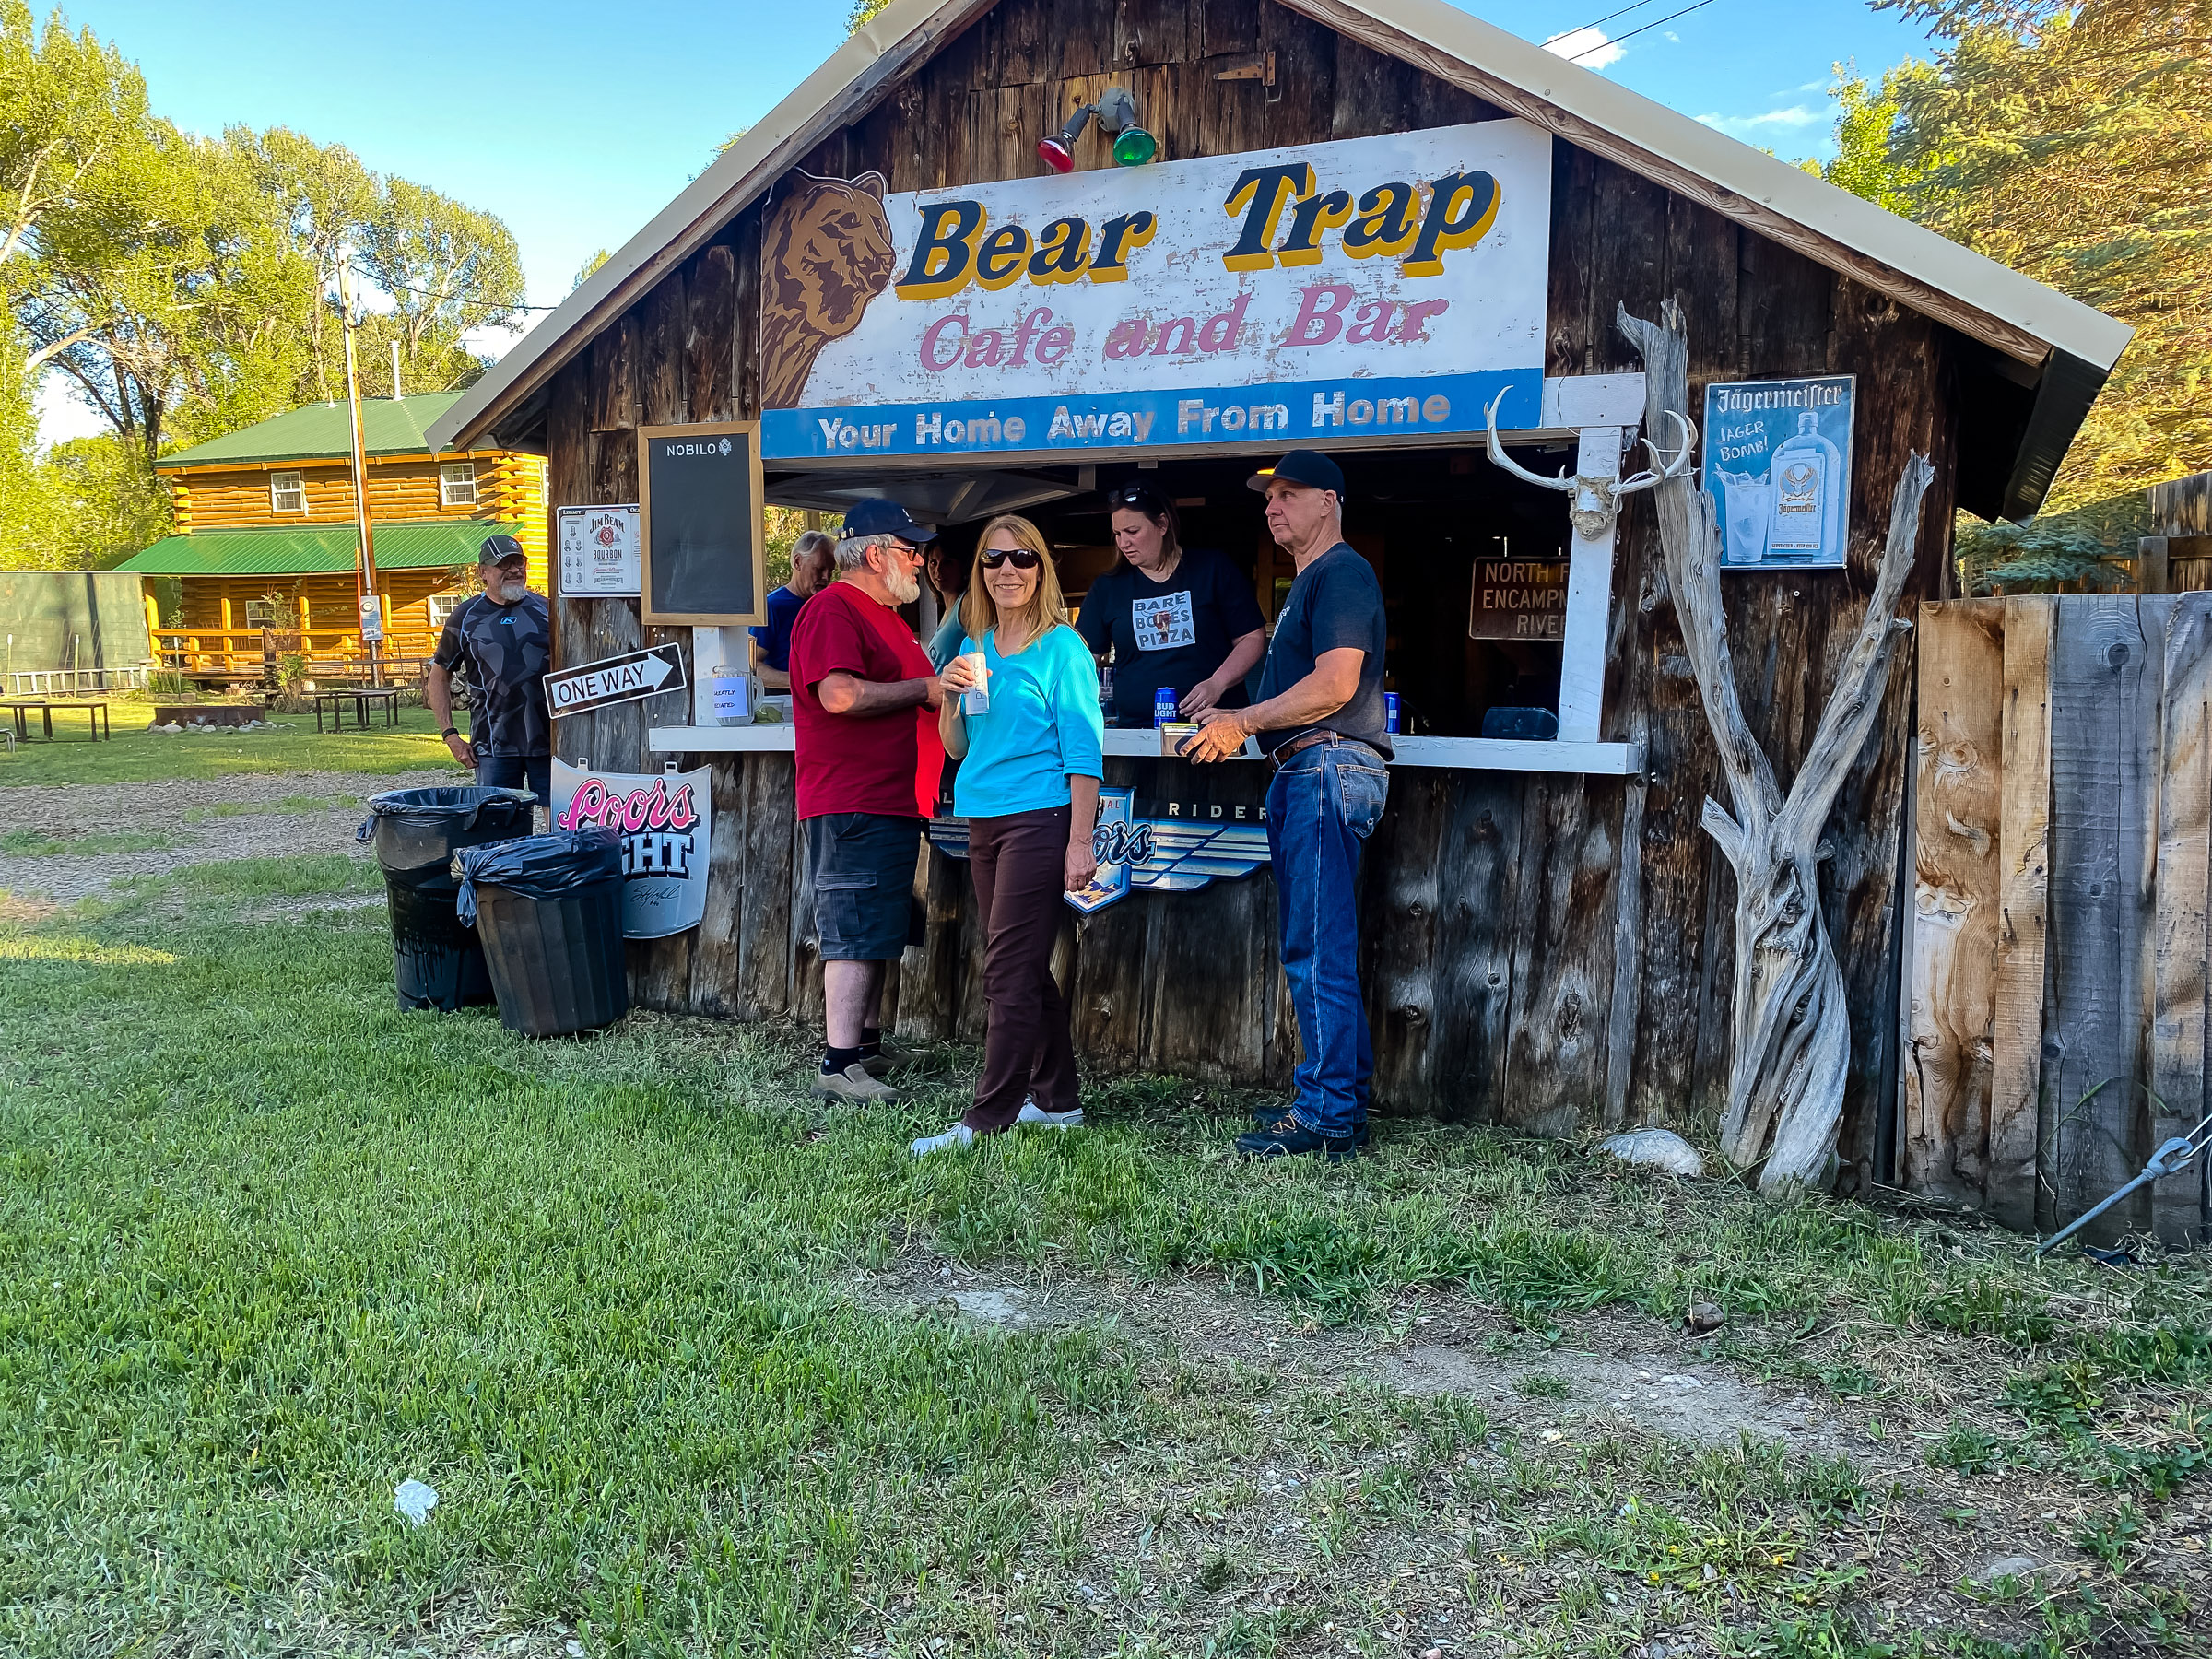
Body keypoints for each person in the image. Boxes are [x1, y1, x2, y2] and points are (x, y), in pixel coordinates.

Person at [1187, 451, 1389, 1161]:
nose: (1272, 508)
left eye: (1288, 495)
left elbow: (1336, 684)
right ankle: (1338, 1097)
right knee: (1318, 943)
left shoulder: (1341, 574)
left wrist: (1240, 719)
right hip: (1310, 770)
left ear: (1329, 501)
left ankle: (1329, 1116)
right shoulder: (1311, 581)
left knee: (1314, 947)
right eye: (1267, 499)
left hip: (1323, 766)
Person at [912, 514, 1104, 1157]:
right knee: (1019, 963)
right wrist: (946, 695)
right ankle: (1058, 1100)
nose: (1008, 571)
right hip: (983, 816)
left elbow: (1084, 753)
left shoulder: (1064, 648)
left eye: (1023, 559)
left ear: (1042, 569)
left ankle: (986, 1118)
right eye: (995, 560)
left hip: (1040, 818)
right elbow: (960, 747)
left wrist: (1081, 842)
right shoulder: (978, 648)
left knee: (1006, 969)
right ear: (980, 573)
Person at [787, 499, 947, 1104]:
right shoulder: (833, 609)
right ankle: (838, 1063)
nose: (920, 562)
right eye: (912, 551)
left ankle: (867, 1045)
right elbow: (839, 695)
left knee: (881, 924)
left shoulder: (886, 615)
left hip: (894, 796)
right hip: (854, 795)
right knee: (854, 925)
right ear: (877, 553)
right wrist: (927, 688)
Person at [1077, 481, 1267, 727]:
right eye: (1117, 534)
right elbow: (1083, 658)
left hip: (1213, 727)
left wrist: (1217, 683)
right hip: (1135, 732)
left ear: (1162, 524)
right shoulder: (1107, 587)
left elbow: (1251, 638)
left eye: (1132, 531)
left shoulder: (1212, 569)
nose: (1123, 543)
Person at [428, 534, 554, 809]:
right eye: (503, 564)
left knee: (560, 826)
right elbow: (438, 676)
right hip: (493, 747)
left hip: (551, 743)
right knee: (500, 830)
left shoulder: (548, 611)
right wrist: (450, 735)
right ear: (482, 572)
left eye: (518, 562)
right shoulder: (465, 617)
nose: (513, 570)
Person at [750, 529, 836, 689]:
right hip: (784, 703)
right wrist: (802, 682)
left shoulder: (829, 606)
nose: (826, 577)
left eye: (831, 570)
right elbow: (752, 666)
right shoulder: (773, 606)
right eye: (819, 569)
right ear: (798, 562)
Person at [924, 540, 973, 671]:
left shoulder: (967, 603)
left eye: (947, 562)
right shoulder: (948, 610)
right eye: (933, 562)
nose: (938, 569)